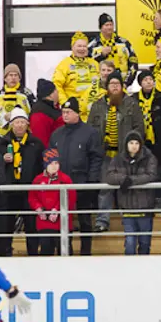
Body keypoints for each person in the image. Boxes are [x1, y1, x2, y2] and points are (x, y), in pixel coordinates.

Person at [89, 71, 145, 233]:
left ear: (122, 87)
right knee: (105, 188)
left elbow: (139, 128)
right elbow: (91, 128)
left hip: (125, 155)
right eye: (111, 84)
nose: (114, 87)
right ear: (106, 87)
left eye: (117, 84)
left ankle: (128, 220)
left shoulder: (131, 104)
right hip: (105, 154)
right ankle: (102, 221)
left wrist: (133, 147)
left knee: (126, 186)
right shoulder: (97, 105)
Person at [49, 97, 104, 255]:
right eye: (63, 112)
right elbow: (50, 157)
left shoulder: (90, 133)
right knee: (63, 220)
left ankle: (86, 252)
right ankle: (66, 251)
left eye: (68, 112)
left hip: (82, 184)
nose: (65, 115)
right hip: (61, 185)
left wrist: (91, 181)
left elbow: (96, 157)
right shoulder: (57, 134)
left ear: (77, 113)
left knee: (85, 221)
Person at [0, 107, 44, 252]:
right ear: (11, 124)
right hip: (8, 191)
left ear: (27, 124)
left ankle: (33, 253)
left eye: (23, 122)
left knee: (31, 225)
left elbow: (41, 166)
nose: (20, 125)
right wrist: (2, 160)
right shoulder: (1, 144)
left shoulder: (36, 144)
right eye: (17, 122)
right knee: (6, 225)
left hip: (29, 191)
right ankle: (5, 252)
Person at [106, 131, 158, 255]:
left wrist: (130, 181)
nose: (134, 146)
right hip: (127, 206)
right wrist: (123, 179)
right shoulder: (118, 159)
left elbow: (151, 175)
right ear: (126, 144)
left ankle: (144, 268)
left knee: (145, 242)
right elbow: (109, 176)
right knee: (130, 241)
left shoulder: (149, 158)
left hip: (145, 207)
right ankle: (130, 268)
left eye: (136, 143)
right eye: (131, 143)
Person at [28, 148, 77, 256]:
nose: (55, 166)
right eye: (51, 163)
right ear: (45, 164)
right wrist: (38, 208)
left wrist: (57, 209)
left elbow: (70, 198)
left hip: (62, 223)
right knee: (45, 251)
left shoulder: (65, 179)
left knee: (65, 251)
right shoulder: (38, 180)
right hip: (44, 223)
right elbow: (32, 197)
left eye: (56, 163)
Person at [53, 31, 101, 115]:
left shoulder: (95, 64)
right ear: (72, 47)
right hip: (74, 111)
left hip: (94, 111)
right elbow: (57, 85)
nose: (82, 49)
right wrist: (65, 103)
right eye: (79, 46)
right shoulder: (64, 65)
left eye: (84, 46)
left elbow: (102, 84)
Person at [134, 70, 161, 169]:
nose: (149, 82)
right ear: (140, 83)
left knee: (159, 165)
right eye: (145, 80)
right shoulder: (133, 99)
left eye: (151, 79)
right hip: (140, 138)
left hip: (159, 139)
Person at [89, 13, 139, 86]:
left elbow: (133, 64)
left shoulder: (124, 43)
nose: (109, 27)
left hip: (122, 86)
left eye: (111, 25)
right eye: (106, 25)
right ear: (100, 27)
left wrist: (126, 83)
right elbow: (88, 65)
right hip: (99, 87)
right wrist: (101, 55)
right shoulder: (93, 45)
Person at [0, 63, 33, 137]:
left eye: (16, 75)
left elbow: (33, 114)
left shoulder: (27, 95)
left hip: (22, 136)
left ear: (19, 78)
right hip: (1, 136)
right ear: (5, 78)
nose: (13, 78)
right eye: (10, 75)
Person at [29, 78, 64, 148]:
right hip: (52, 155)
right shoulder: (39, 113)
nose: (57, 92)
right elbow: (40, 141)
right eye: (55, 90)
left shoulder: (53, 108)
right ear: (50, 95)